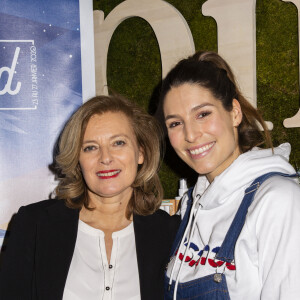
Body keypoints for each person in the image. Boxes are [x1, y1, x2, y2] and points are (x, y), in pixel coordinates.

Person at [0, 94, 180, 300]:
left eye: (118, 143)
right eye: (90, 147)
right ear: (77, 159)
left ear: (140, 152)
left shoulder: (169, 233)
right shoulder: (35, 224)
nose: (105, 158)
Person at [159, 51, 300, 299]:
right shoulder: (192, 204)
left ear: (234, 112)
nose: (190, 134)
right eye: (175, 123)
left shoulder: (278, 200)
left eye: (202, 114)